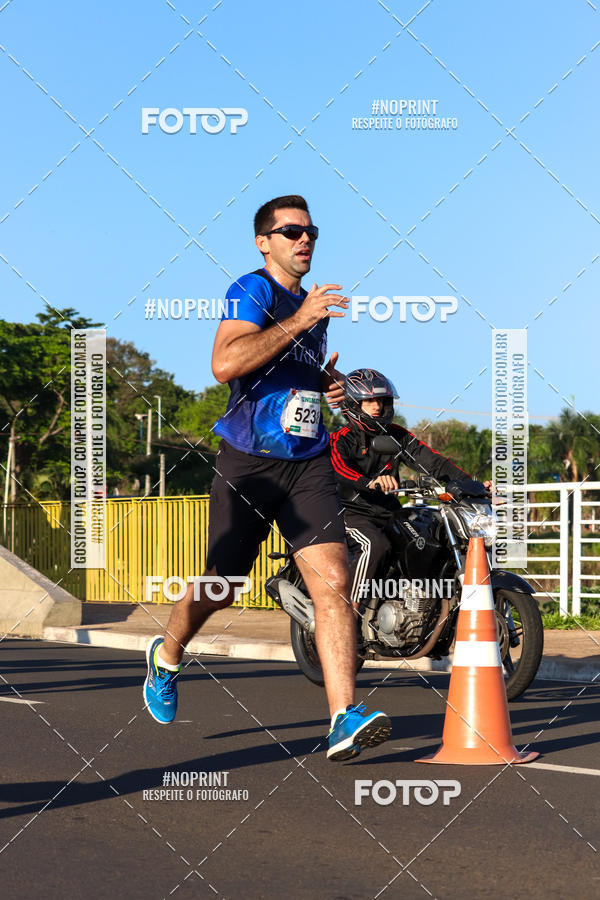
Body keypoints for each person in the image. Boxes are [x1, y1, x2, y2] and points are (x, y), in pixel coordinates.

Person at [143, 197, 391, 761]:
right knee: (223, 585)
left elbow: (289, 372)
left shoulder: (314, 307)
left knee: (333, 580)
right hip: (250, 462)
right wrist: (300, 320)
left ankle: (343, 717)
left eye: (311, 231)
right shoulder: (251, 290)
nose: (304, 240)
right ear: (264, 241)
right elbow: (226, 364)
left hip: (306, 460)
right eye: (291, 231)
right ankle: (167, 654)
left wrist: (324, 387)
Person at [330, 368, 485, 604]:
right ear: (353, 404)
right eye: (369, 400)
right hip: (350, 511)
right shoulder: (341, 438)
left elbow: (434, 462)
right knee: (374, 544)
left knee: (428, 535)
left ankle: (420, 606)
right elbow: (340, 469)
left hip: (388, 510)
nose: (377, 406)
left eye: (381, 400)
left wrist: (473, 485)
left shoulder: (398, 436)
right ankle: (347, 609)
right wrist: (370, 482)